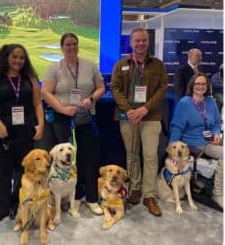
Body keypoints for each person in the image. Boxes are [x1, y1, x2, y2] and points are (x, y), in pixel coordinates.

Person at [41, 32, 105, 215]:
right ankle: (71, 199)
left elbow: (101, 87)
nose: (71, 47)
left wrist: (91, 98)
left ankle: (91, 199)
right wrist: (62, 108)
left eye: (74, 44)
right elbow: (45, 93)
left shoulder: (90, 65)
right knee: (67, 161)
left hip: (86, 118)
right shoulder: (54, 68)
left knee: (89, 160)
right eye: (68, 44)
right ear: (62, 47)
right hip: (63, 119)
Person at [110, 27, 168, 217]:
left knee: (150, 156)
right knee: (132, 154)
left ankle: (149, 195)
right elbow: (115, 88)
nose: (141, 43)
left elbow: (162, 89)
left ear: (147, 42)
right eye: (137, 41)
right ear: (131, 42)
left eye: (144, 40)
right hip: (128, 118)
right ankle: (135, 188)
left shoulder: (158, 65)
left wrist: (144, 109)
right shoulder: (121, 64)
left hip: (150, 117)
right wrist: (129, 109)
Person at [0, 43, 44, 221]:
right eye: (14, 57)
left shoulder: (31, 80)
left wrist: (41, 125)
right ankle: (1, 206)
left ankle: (17, 204)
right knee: (2, 171)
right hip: (3, 133)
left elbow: (37, 104)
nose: (18, 60)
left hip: (25, 133)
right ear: (6, 58)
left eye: (22, 57)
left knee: (23, 171)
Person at [169, 73, 223, 209]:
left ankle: (217, 193)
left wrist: (216, 133)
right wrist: (172, 150)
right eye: (197, 84)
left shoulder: (210, 102)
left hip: (209, 141)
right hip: (191, 143)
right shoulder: (185, 102)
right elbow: (176, 127)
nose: (200, 87)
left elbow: (216, 123)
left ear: (207, 86)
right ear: (192, 85)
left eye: (203, 84)